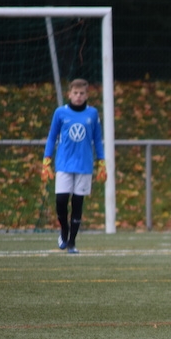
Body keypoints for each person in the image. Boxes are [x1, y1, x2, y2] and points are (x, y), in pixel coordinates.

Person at [42, 79, 106, 254]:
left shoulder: (92, 114)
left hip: (84, 165)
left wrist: (102, 162)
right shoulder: (60, 113)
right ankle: (64, 230)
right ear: (69, 94)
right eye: (75, 93)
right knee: (61, 202)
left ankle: (72, 242)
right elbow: (51, 136)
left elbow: (97, 140)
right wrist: (46, 159)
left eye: (82, 93)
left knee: (78, 204)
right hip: (64, 164)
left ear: (87, 95)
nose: (78, 96)